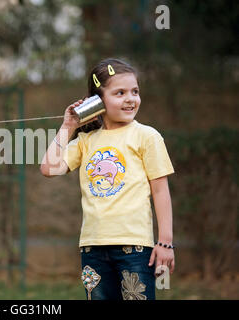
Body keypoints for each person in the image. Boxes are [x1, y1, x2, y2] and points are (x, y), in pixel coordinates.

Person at [40, 58, 175, 300]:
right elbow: (49, 168)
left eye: (135, 91)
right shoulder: (85, 141)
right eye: (120, 93)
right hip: (92, 248)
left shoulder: (147, 136)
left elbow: (160, 191)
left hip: (134, 248)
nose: (130, 98)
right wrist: (68, 126)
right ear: (98, 102)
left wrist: (165, 242)